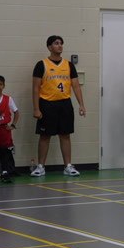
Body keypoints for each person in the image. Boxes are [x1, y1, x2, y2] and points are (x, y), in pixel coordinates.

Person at [31, 36, 87, 177]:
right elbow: (35, 88)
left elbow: (76, 86)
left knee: (65, 135)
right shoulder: (41, 64)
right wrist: (36, 108)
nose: (60, 45)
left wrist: (81, 104)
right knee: (45, 136)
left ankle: (68, 166)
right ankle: (40, 166)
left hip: (65, 104)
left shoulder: (69, 65)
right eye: (56, 43)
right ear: (49, 47)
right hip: (47, 104)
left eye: (61, 43)